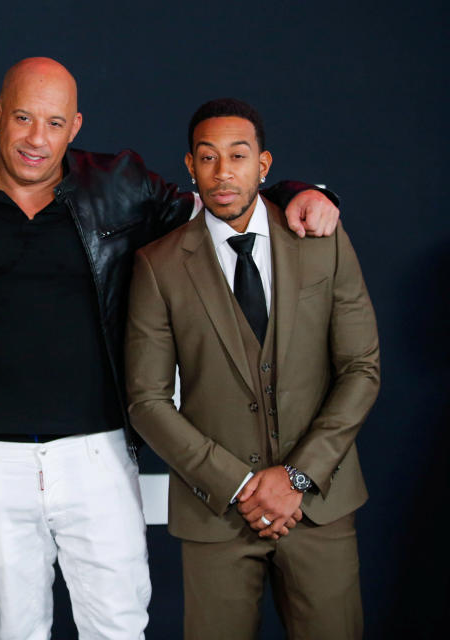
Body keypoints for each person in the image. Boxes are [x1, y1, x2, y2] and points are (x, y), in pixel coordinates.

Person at [0, 57, 341, 639]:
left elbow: (222, 203)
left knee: (118, 625)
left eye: (54, 123)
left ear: (75, 126)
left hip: (95, 455)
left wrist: (300, 191)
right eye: (23, 117)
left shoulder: (120, 185)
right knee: (8, 628)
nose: (36, 138)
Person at [124, 98, 379, 639]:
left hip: (318, 506)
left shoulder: (322, 242)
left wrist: (296, 476)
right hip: (216, 515)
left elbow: (360, 367)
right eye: (208, 158)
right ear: (190, 167)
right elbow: (146, 401)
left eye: (238, 156)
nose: (223, 172)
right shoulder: (158, 265)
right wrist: (240, 484)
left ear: (263, 165)